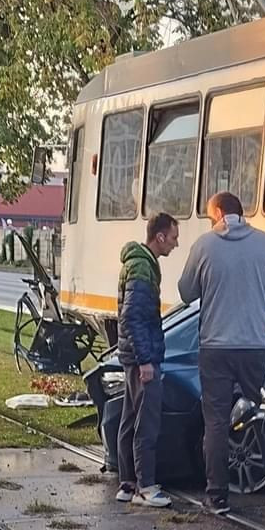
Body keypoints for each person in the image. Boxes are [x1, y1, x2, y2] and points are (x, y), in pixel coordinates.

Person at [177, 192, 265, 516]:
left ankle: (218, 496)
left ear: (219, 213)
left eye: (211, 217)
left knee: (216, 421)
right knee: (262, 415)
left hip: (215, 347)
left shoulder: (204, 245)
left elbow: (186, 293)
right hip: (255, 345)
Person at [115, 211, 179, 507]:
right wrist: (145, 361)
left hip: (132, 353)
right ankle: (146, 487)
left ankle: (127, 483)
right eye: (174, 238)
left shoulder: (138, 262)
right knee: (147, 422)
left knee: (129, 418)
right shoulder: (142, 266)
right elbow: (132, 315)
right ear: (160, 236)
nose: (176, 245)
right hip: (142, 355)